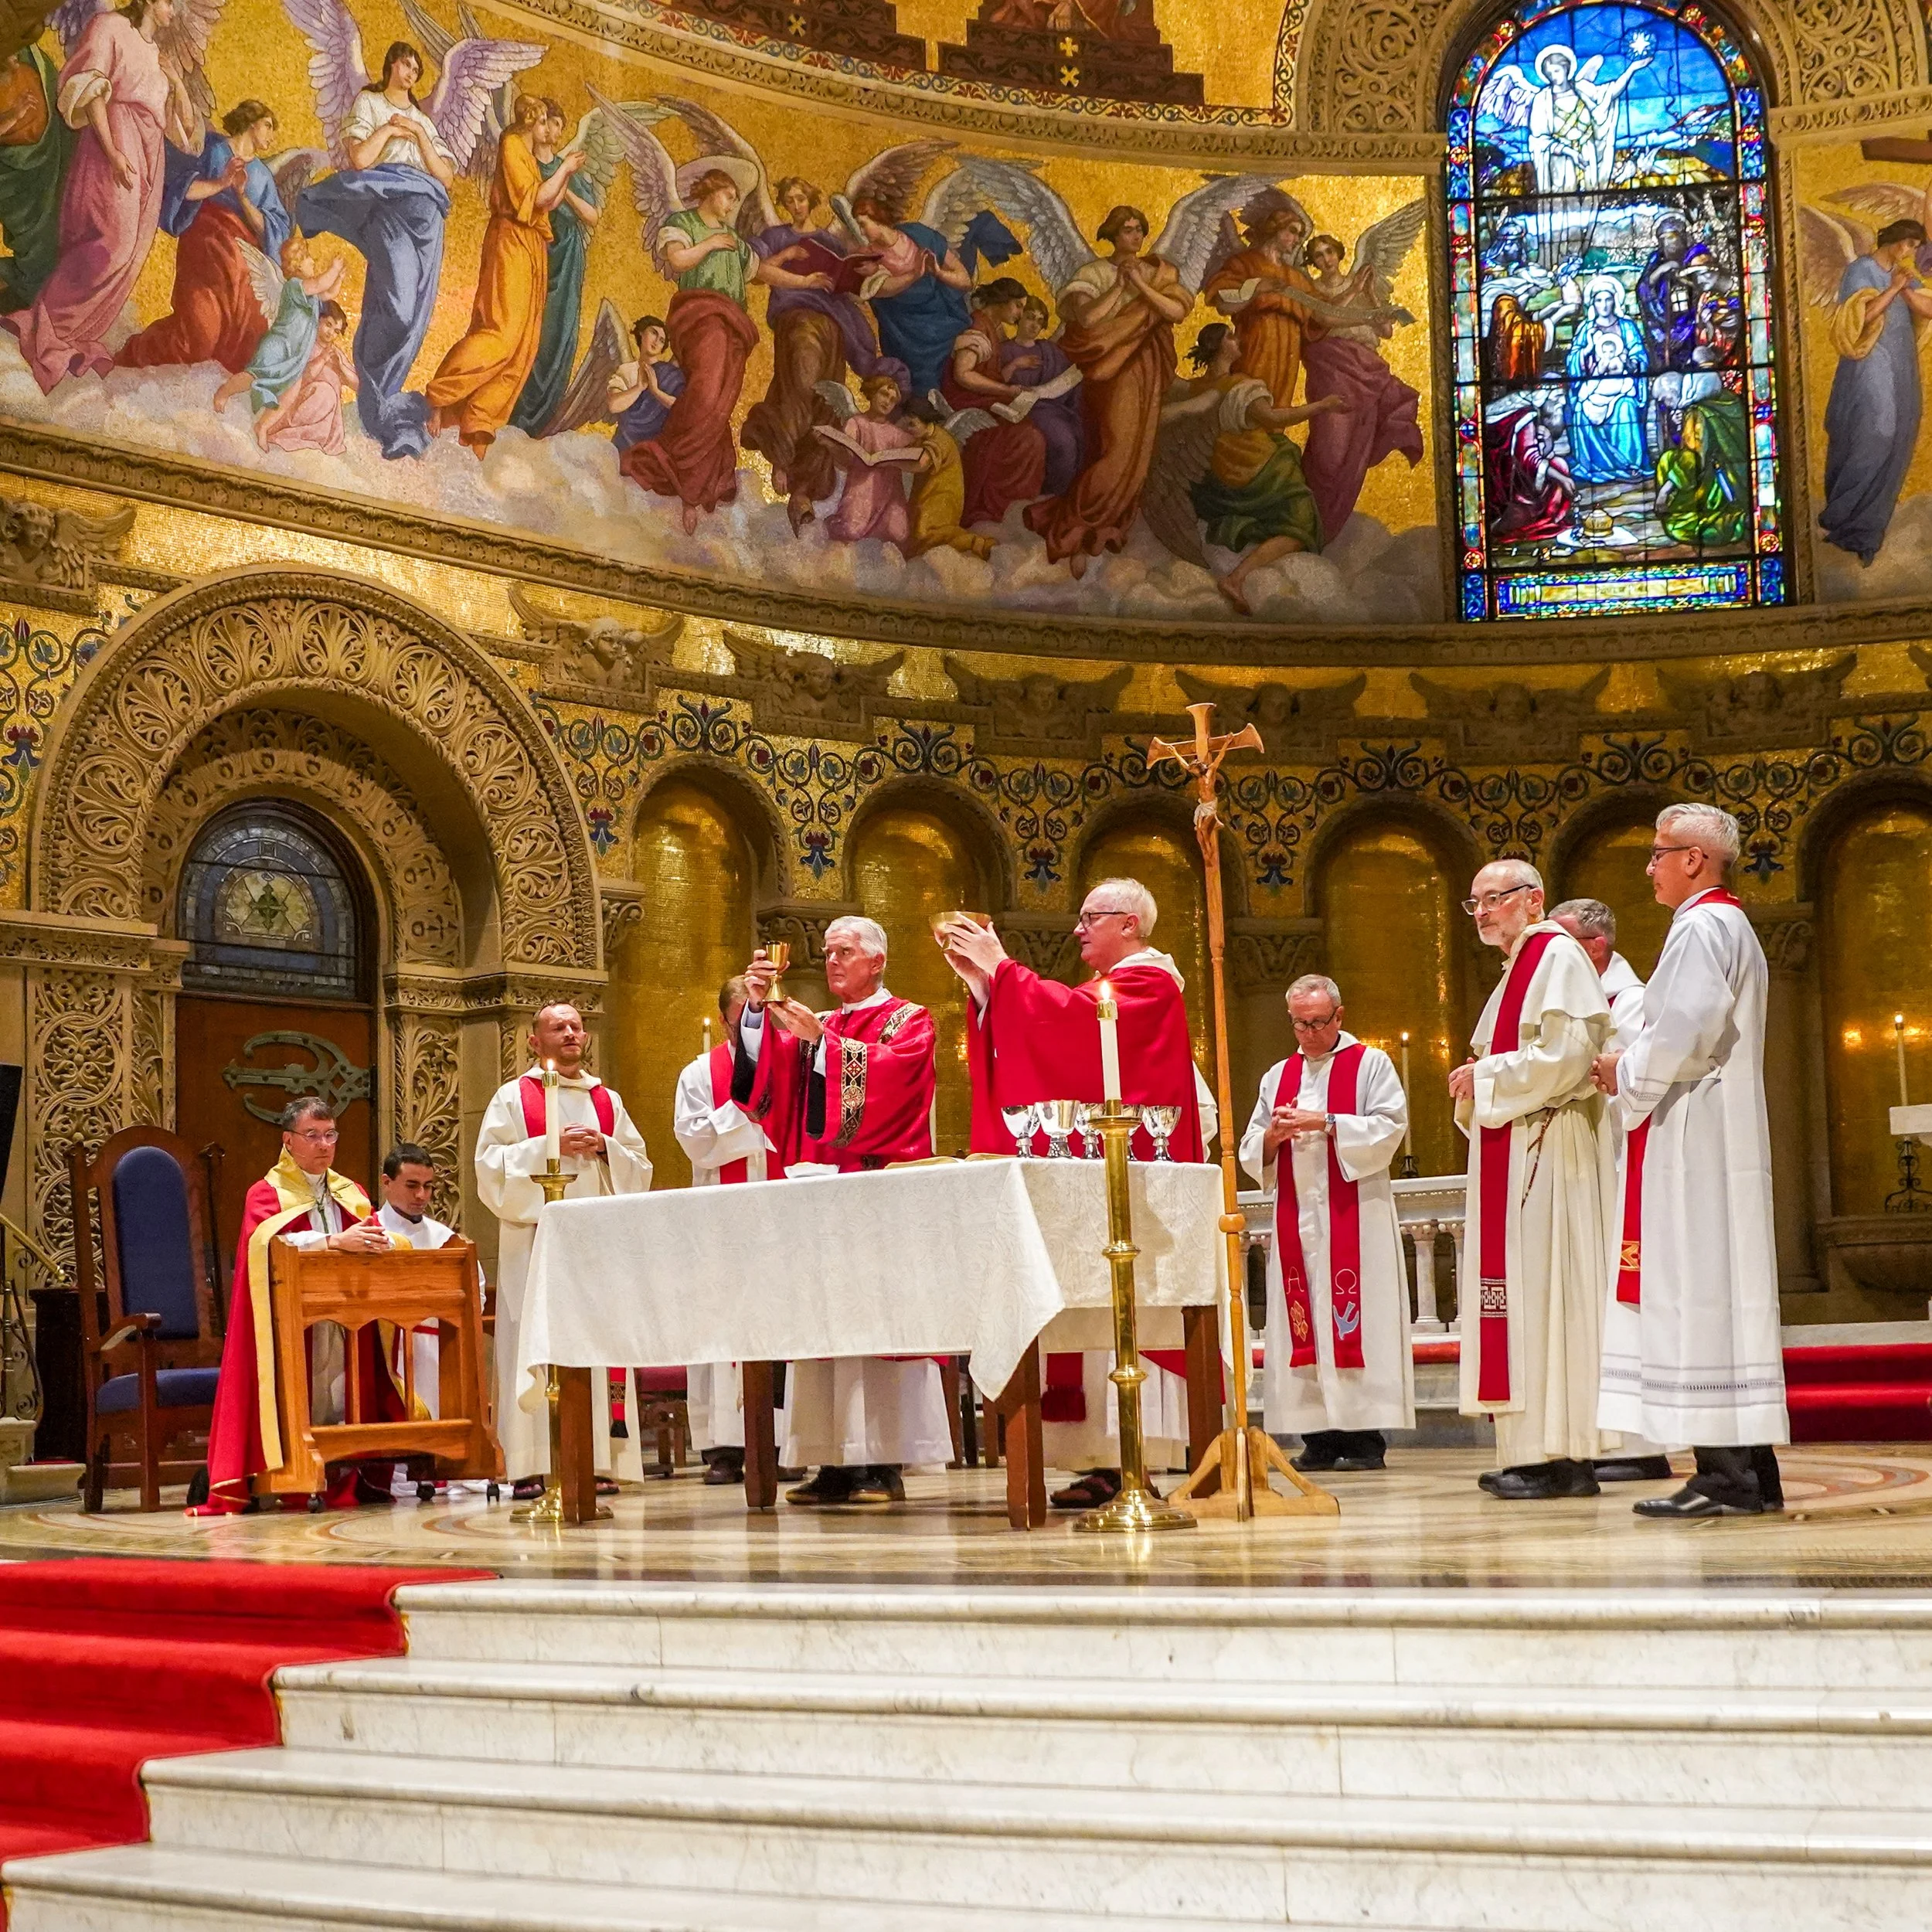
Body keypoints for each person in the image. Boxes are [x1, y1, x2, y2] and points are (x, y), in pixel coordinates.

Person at [941, 878, 1216, 1505]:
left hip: (1133, 1184)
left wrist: (1003, 969)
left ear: (1131, 924)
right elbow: (1058, 1021)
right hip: (1092, 1181)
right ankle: (1102, 1461)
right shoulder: (1107, 986)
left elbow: (1074, 1025)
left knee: (1125, 1306)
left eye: (1091, 918)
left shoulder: (1149, 982)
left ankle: (1133, 1458)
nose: (1078, 929)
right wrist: (986, 986)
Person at [1593, 804, 1788, 1517]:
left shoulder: (1703, 927)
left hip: (1693, 1138)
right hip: (1709, 1131)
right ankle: (1750, 1475)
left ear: (1695, 860)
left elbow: (1686, 1035)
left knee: (1698, 1297)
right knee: (1719, 1299)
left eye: (1657, 853)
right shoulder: (1728, 924)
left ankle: (1725, 1478)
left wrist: (1623, 1068)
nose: (1649, 867)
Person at [733, 917, 952, 1505]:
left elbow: (899, 1083)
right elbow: (765, 1094)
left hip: (879, 1191)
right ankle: (831, 1458)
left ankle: (882, 1462)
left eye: (846, 952)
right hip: (821, 1196)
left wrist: (823, 1046)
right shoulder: (821, 1022)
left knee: (879, 1318)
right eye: (827, 953)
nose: (832, 962)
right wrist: (756, 1014)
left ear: (877, 961)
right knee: (824, 1319)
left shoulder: (911, 1019)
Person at [1450, 859, 1615, 1500]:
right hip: (1516, 1144)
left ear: (1534, 898)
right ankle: (1531, 1450)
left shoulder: (1557, 957)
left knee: (1550, 1295)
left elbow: (1568, 1058)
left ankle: (1564, 1456)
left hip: (1551, 1143)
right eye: (1476, 901)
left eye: (1497, 898)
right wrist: (1479, 1078)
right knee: (1521, 1298)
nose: (1485, 911)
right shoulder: (1520, 966)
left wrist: (1484, 1079)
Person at [474, 1002, 652, 1502]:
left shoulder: (607, 1101)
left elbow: (639, 1167)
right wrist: (551, 1146)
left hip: (598, 1246)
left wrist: (604, 1149)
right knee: (535, 1342)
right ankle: (530, 1463)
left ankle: (597, 1460)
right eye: (558, 1027)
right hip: (536, 1244)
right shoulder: (512, 1098)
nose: (571, 1033)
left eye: (576, 1026)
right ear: (535, 1041)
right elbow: (490, 1169)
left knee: (597, 1344)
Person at [195, 1096, 403, 1515]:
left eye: (330, 1135)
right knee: (305, 1394)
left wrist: (382, 1242)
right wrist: (332, 1241)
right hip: (288, 1321)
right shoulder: (266, 1193)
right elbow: (267, 1248)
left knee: (342, 1394)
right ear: (288, 1141)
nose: (324, 1144)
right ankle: (290, 1473)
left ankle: (342, 1474)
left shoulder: (352, 1193)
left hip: (346, 1314)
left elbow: (369, 1234)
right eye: (313, 1136)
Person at [1240, 974, 1413, 1472]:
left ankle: (1363, 1438)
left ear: (1340, 1016)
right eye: (1299, 1024)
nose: (1309, 1033)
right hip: (1298, 1220)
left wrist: (1328, 1123)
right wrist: (1272, 1136)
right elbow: (1254, 1143)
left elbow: (1389, 1126)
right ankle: (1316, 1435)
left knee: (1354, 1316)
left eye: (1318, 1022)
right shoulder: (1278, 1075)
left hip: (1353, 1214)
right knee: (1303, 1318)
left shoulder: (1370, 1065)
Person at [623, 163, 831, 533]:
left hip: (733, 326)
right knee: (703, 396)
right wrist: (709, 244)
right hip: (701, 318)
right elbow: (677, 260)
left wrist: (805, 281)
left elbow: (762, 272)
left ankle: (693, 489)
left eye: (736, 200)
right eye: (729, 196)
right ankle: (670, 460)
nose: (733, 205)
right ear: (711, 190)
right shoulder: (684, 223)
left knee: (721, 405)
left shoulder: (734, 239)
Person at [3, 0, 199, 393]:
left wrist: (176, 82)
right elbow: (87, 87)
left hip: (149, 154)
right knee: (111, 245)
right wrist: (112, 152)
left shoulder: (158, 55)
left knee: (130, 256)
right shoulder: (109, 26)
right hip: (114, 140)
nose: (173, 10)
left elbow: (186, 135)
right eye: (167, 1)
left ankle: (69, 336)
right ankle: (42, 327)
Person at [1550, 895, 1672, 1486]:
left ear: (1596, 946)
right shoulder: (1578, 1001)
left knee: (1627, 1304)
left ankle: (1642, 1442)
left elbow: (1632, 1079)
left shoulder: (1635, 1002)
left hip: (1625, 1166)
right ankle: (1604, 1437)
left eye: (1563, 943)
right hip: (1587, 1171)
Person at [293, 40, 455, 459]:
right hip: (387, 206)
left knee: (412, 312)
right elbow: (360, 159)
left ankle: (384, 395)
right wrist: (389, 129)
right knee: (398, 307)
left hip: (427, 222)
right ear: (390, 65)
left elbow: (446, 178)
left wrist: (418, 133)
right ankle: (376, 390)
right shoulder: (370, 103)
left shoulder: (423, 120)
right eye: (407, 63)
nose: (413, 72)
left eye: (418, 67)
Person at [1026, 204, 1189, 576]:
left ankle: (1101, 529)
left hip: (1146, 370)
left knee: (1136, 455)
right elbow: (1087, 319)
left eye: (1139, 229)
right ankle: (1075, 524)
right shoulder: (1094, 272)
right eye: (1128, 229)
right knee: (1115, 451)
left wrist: (1142, 285)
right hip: (1109, 374)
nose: (1135, 236)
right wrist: (1119, 285)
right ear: (1113, 235)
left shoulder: (1158, 271)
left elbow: (1176, 313)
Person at [672, 975, 787, 1485]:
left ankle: (787, 1439)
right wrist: (744, 1108)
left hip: (785, 1217)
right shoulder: (700, 1073)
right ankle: (724, 1446)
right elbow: (697, 1144)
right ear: (724, 1020)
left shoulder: (796, 1062)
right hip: (723, 1222)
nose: (759, 1026)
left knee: (785, 1324)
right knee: (721, 1325)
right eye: (747, 1016)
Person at [426, 95, 585, 458]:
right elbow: (536, 195)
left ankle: (480, 422)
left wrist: (564, 175)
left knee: (524, 344)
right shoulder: (512, 145)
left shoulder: (528, 156)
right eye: (544, 122)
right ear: (531, 121)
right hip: (511, 241)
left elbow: (549, 202)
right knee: (501, 332)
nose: (549, 130)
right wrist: (565, 170)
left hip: (532, 245)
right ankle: (440, 394)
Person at [741, 173, 886, 532]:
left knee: (826, 399)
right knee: (800, 387)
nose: (796, 205)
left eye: (801, 198)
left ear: (812, 200)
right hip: (798, 321)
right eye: (789, 199)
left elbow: (851, 281)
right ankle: (781, 457)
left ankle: (803, 491)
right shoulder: (776, 237)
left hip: (832, 324)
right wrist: (788, 255)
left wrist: (859, 271)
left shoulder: (827, 241)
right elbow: (755, 273)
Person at [116, 98, 290, 376]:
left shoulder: (263, 176)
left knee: (245, 341)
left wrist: (243, 197)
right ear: (251, 122)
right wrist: (221, 183)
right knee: (199, 338)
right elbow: (180, 188)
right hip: (205, 252)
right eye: (268, 126)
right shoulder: (214, 150)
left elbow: (273, 228)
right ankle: (134, 355)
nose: (272, 134)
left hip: (242, 267)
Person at [1298, 231, 1426, 542]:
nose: (1326, 259)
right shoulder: (1310, 290)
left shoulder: (1361, 283)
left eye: (1330, 252)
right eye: (1319, 255)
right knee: (1329, 452)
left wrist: (1368, 294)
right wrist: (1353, 288)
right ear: (1312, 262)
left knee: (1355, 448)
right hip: (1332, 369)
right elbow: (1323, 320)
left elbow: (1384, 331)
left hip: (1365, 370)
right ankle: (1304, 516)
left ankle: (1325, 527)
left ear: (1340, 254)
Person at [1820, 219, 1932, 566]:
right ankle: (1841, 514)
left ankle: (1866, 532)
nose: (1912, 252)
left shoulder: (1901, 273)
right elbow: (1859, 318)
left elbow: (1923, 308)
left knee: (1901, 436)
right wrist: (1893, 289)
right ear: (1896, 240)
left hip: (1901, 363)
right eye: (1911, 244)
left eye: (1916, 246)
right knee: (1877, 433)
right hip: (1869, 363)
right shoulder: (1861, 269)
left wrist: (1905, 287)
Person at [509, 98, 604, 437]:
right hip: (534, 252)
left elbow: (592, 215)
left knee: (558, 332)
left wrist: (568, 197)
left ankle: (541, 418)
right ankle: (515, 411)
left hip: (568, 254)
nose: (553, 130)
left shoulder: (568, 168)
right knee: (528, 329)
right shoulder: (524, 162)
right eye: (547, 122)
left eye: (559, 125)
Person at [942, 277, 1046, 528]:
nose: (1021, 314)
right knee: (1028, 439)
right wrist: (1006, 391)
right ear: (1002, 301)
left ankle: (1006, 504)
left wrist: (1010, 381)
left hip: (984, 399)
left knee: (1029, 431)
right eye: (1018, 306)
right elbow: (963, 374)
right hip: (967, 402)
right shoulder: (977, 327)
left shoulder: (992, 326)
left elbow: (991, 373)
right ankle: (992, 506)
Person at [1203, 202, 1323, 413]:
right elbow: (1223, 304)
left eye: (1299, 235)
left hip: (1288, 354)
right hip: (1255, 345)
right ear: (1274, 230)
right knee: (1250, 407)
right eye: (1292, 232)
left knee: (1278, 409)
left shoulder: (1295, 277)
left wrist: (1367, 314)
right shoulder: (1245, 263)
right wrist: (1256, 289)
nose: (1297, 240)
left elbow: (1323, 313)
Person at [0, 37, 75, 311]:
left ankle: (34, 289)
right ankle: (28, 291)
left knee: (53, 236)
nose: (15, 56)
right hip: (14, 178)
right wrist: (14, 116)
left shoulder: (33, 61)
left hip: (50, 166)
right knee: (34, 241)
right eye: (8, 54)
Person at [1564, 276, 1648, 482]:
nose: (1603, 305)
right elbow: (1573, 361)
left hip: (1622, 388)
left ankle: (1631, 465)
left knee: (1626, 406)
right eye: (1599, 300)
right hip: (1595, 387)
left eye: (1608, 299)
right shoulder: (1586, 329)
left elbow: (1640, 354)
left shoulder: (1627, 327)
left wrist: (1632, 362)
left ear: (1615, 301)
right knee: (1580, 410)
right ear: (1593, 303)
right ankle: (1596, 465)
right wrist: (1587, 351)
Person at [822, 371, 919, 545]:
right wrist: (830, 445)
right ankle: (830, 524)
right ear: (873, 392)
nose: (887, 401)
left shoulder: (897, 434)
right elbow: (845, 460)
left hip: (890, 494)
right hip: (861, 489)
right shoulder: (856, 423)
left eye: (892, 400)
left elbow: (916, 454)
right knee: (851, 530)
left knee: (899, 534)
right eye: (884, 394)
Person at [254, 298, 355, 454]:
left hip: (324, 422)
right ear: (319, 319)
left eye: (336, 331)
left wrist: (342, 368)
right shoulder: (306, 344)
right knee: (325, 392)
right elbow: (302, 378)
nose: (331, 333)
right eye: (328, 325)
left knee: (327, 394)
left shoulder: (336, 353)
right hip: (294, 406)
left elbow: (358, 385)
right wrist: (322, 359)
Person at [1484, 391, 1577, 546]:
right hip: (1509, 484)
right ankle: (1535, 520)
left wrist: (1547, 441)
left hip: (1515, 474)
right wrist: (1562, 479)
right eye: (1557, 398)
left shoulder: (1533, 415)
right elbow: (1529, 459)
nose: (1562, 402)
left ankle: (1545, 516)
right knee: (1559, 468)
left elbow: (1540, 453)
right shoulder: (1526, 416)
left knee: (1558, 464)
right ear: (1544, 398)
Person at [607, 315, 684, 453]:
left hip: (655, 450)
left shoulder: (670, 374)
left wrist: (656, 392)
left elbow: (681, 408)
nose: (656, 341)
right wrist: (639, 388)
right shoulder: (627, 370)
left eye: (662, 340)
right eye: (654, 333)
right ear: (642, 332)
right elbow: (613, 406)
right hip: (625, 445)